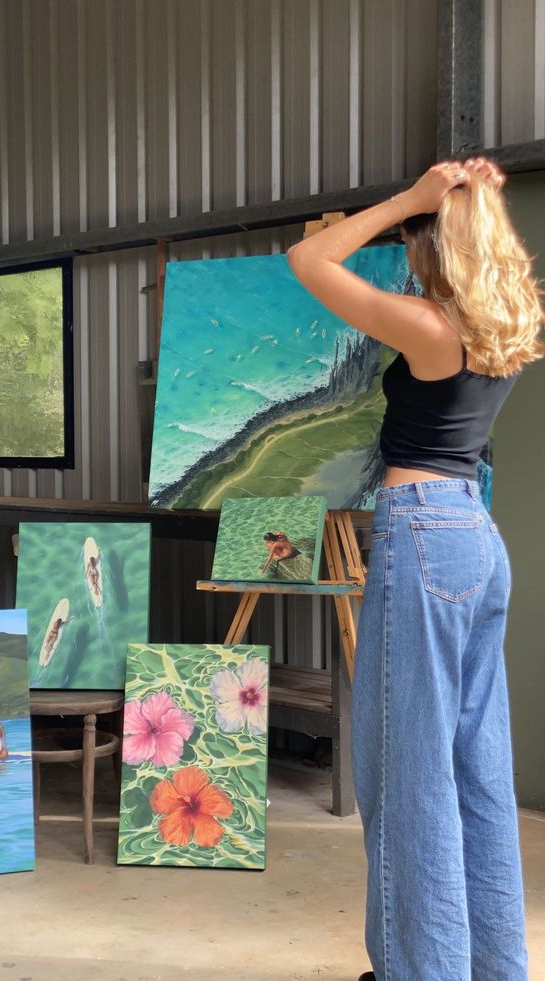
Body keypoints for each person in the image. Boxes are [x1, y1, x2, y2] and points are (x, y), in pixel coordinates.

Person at [287, 157, 542, 980]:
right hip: (475, 535)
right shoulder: (512, 320)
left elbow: (310, 261)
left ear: (433, 244)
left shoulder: (432, 329)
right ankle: (494, 966)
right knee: (478, 771)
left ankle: (418, 971)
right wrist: (467, 207)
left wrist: (413, 199)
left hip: (422, 535)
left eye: (412, 239)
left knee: (407, 776)